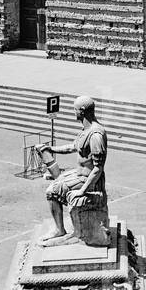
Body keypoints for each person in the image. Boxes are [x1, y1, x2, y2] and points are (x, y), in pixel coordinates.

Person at [36, 95, 109, 245]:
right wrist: (51, 148)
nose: (73, 113)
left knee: (51, 191)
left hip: (90, 182)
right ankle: (59, 229)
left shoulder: (96, 135)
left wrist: (82, 190)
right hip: (79, 175)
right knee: (58, 182)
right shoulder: (85, 130)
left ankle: (61, 230)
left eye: (74, 110)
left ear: (82, 111)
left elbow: (98, 168)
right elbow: (72, 147)